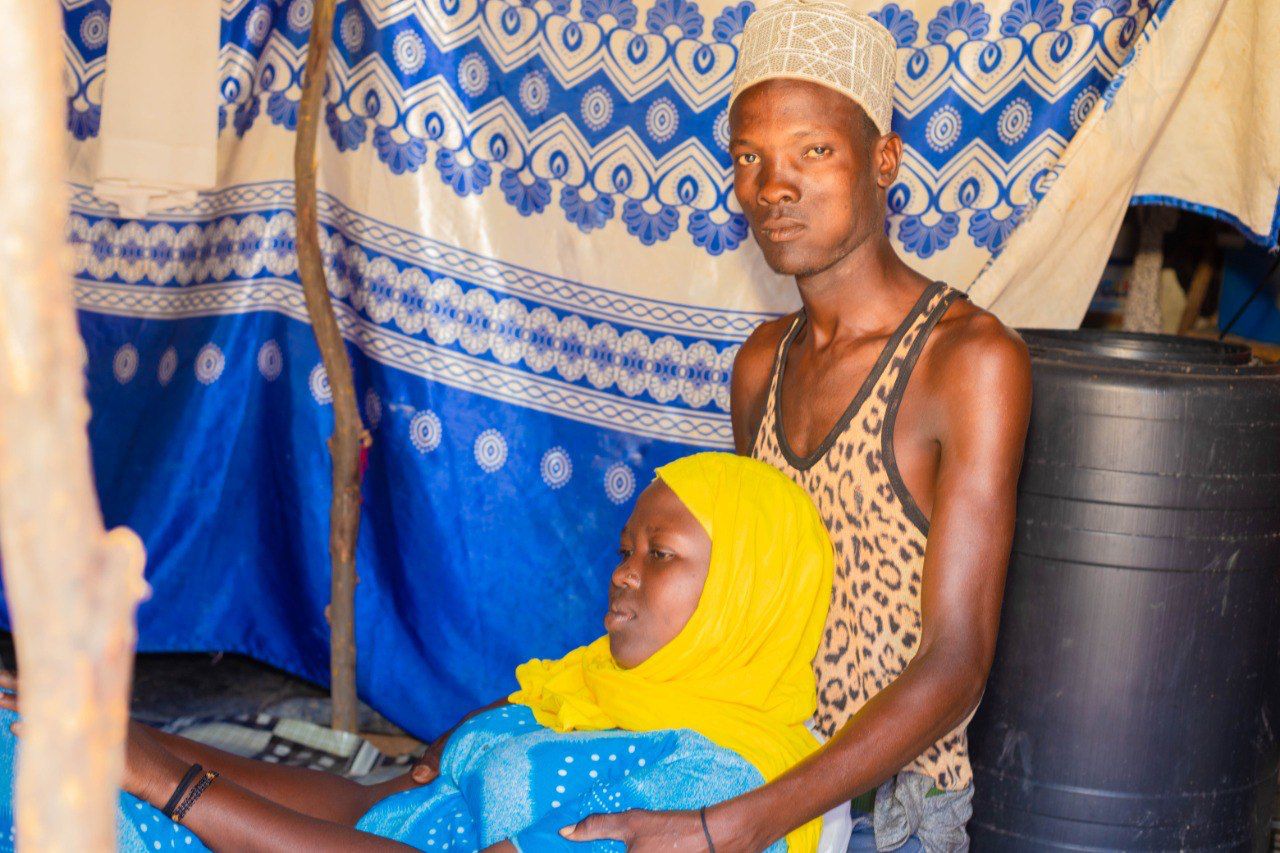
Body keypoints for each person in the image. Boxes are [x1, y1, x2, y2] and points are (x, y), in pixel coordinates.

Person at [559, 2, 1033, 851]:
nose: (775, 186)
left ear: (883, 159)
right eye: (751, 157)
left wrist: (736, 822)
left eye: (814, 151)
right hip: (746, 759)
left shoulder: (966, 361)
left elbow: (955, 661)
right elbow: (752, 594)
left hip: (881, 808)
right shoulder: (762, 362)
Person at [0, 453, 835, 852]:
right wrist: (122, 736)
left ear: (746, 594)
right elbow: (362, 798)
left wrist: (169, 784)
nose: (621, 574)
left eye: (660, 555)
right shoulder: (580, 690)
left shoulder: (714, 787)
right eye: (624, 549)